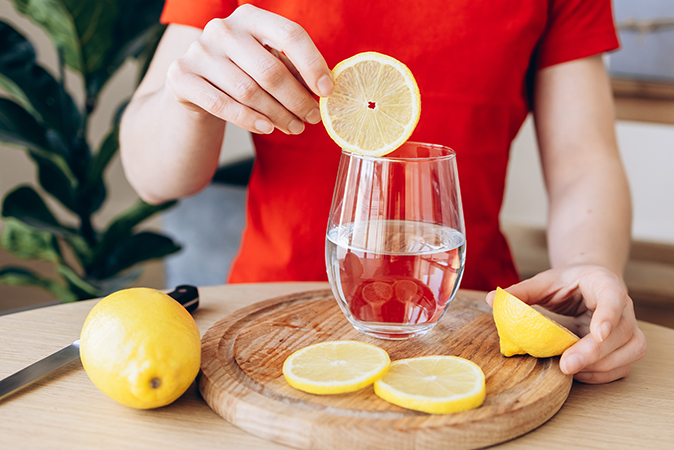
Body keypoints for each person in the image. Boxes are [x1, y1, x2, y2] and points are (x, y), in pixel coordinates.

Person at [120, 0, 646, 384]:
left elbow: (584, 161)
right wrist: (186, 98)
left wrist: (588, 268)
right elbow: (153, 176)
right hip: (272, 323)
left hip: (478, 331)